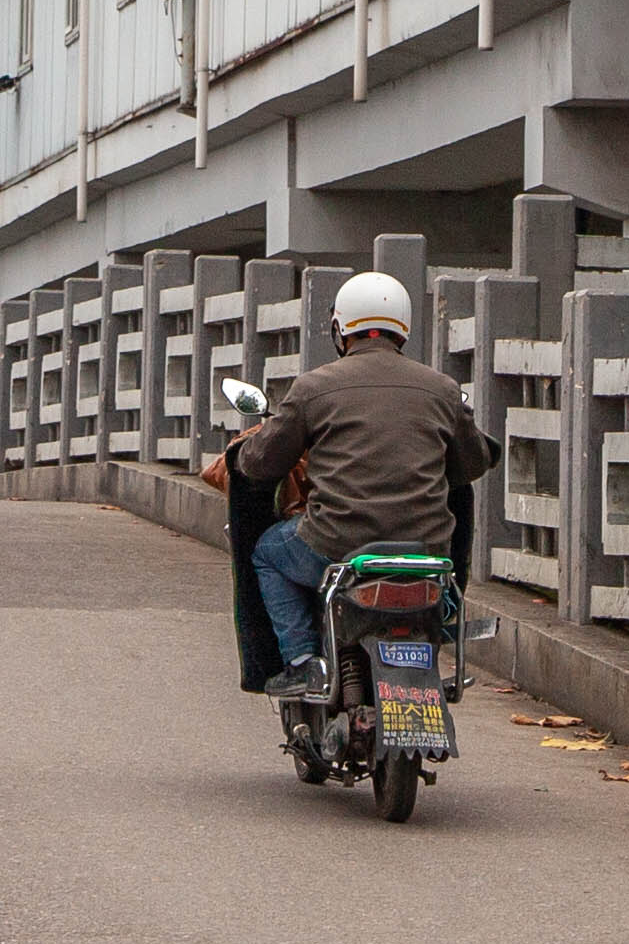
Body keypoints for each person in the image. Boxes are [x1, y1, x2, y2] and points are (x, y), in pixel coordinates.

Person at [202, 270, 485, 700]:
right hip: (425, 552)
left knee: (267, 554)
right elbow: (474, 462)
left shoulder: (314, 388)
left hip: (335, 547)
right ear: (403, 328)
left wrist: (243, 452)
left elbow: (263, 464)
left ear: (339, 329)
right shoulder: (442, 389)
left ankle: (301, 662)